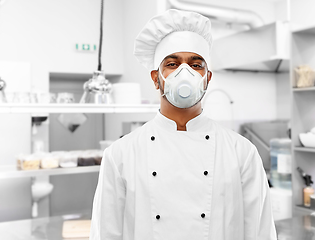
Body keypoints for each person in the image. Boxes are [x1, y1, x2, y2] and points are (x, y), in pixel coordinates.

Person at [90, 9, 277, 240]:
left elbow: (260, 233)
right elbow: (105, 234)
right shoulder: (120, 155)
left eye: (196, 65)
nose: (184, 73)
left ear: (207, 79)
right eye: (172, 64)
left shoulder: (242, 153)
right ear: (156, 78)